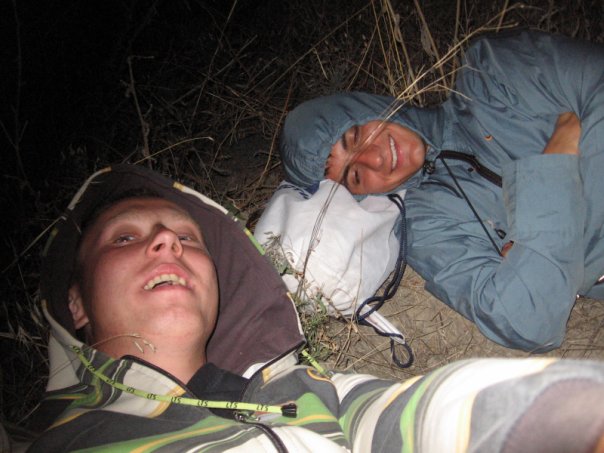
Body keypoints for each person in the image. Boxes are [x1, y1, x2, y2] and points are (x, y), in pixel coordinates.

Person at [27, 164, 604, 452]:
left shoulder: (296, 391)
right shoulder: (79, 440)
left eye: (186, 237)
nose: (166, 242)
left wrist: (561, 414)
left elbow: (411, 415)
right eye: (125, 238)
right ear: (75, 302)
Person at [280, 29, 604, 352]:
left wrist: (546, 256)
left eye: (354, 136)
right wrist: (561, 149)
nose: (375, 159)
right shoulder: (425, 224)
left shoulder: (490, 73)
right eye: (355, 176)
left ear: (366, 107)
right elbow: (524, 322)